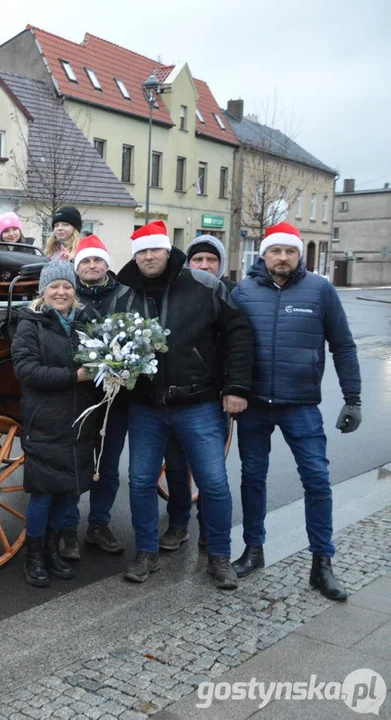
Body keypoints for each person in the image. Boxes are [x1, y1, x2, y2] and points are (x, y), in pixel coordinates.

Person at [115, 221, 253, 590]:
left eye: (154, 250)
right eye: (141, 251)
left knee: (213, 483)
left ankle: (220, 556)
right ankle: (146, 552)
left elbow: (238, 334)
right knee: (142, 480)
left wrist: (236, 386)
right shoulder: (125, 294)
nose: (148, 257)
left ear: (167, 251)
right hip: (146, 406)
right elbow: (112, 341)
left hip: (198, 402)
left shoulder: (204, 285)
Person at [230, 222, 361, 601]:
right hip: (254, 405)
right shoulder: (244, 291)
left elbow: (344, 345)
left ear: (298, 255)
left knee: (317, 481)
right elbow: (230, 347)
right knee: (253, 477)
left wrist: (353, 398)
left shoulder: (320, 290)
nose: (283, 257)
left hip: (300, 405)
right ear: (264, 254)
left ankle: (322, 563)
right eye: (276, 251)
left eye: (290, 251)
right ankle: (253, 549)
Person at [11, 261, 103, 587]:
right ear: (43, 292)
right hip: (46, 419)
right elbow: (26, 370)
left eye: (66, 286)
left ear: (73, 291)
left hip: (80, 419)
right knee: (43, 494)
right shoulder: (31, 324)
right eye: (54, 287)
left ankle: (52, 551)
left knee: (68, 492)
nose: (61, 292)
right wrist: (73, 376)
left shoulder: (86, 321)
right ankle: (34, 556)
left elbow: (102, 358)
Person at [58, 234, 130, 558]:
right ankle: (68, 528)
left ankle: (99, 524)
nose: (91, 266)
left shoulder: (126, 295)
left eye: (97, 260)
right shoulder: (66, 295)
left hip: (116, 397)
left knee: (108, 465)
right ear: (77, 267)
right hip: (77, 394)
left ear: (106, 265)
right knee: (75, 461)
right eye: (85, 261)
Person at [161, 234, 234, 552]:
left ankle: (210, 531)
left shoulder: (229, 296)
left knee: (210, 472)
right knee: (176, 467)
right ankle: (178, 524)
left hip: (212, 398)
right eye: (198, 260)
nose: (204, 265)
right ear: (189, 264)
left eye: (211, 260)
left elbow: (238, 346)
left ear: (220, 265)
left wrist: (233, 388)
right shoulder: (176, 293)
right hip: (177, 397)